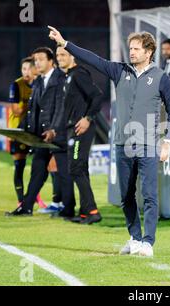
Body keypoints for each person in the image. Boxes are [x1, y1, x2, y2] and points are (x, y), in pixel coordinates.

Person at [49, 26, 170, 257]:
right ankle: (135, 238)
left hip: (149, 144)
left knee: (149, 195)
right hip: (122, 144)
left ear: (149, 52)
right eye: (130, 48)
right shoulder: (120, 71)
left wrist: (167, 142)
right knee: (126, 196)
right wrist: (64, 43)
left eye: (136, 49)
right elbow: (93, 59)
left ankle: (148, 243)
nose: (131, 53)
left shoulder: (161, 77)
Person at [5, 47, 81, 223]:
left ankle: (68, 209)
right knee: (37, 171)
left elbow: (62, 108)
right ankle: (26, 207)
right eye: (35, 60)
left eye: (40, 59)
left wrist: (54, 129)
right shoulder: (38, 81)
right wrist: (22, 131)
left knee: (64, 173)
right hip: (42, 136)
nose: (36, 63)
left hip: (59, 135)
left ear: (50, 61)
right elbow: (32, 111)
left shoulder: (62, 79)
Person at [52, 46, 104, 223]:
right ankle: (85, 212)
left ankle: (93, 211)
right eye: (57, 55)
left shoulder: (79, 74)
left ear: (72, 56)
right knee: (80, 168)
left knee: (75, 168)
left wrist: (87, 118)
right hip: (71, 129)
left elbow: (97, 96)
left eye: (63, 54)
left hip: (81, 129)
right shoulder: (67, 76)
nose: (59, 58)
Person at [7, 56, 47, 208]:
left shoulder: (41, 84)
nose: (26, 72)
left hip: (36, 130)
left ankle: (35, 197)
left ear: (36, 69)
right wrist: (33, 101)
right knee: (19, 165)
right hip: (19, 132)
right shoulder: (17, 85)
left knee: (39, 167)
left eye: (29, 68)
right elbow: (16, 111)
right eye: (23, 69)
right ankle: (20, 200)